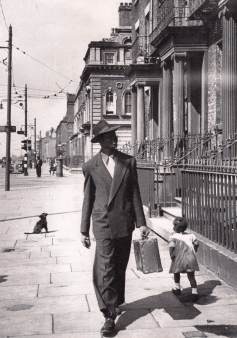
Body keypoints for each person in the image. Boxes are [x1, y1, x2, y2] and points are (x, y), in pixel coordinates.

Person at [80, 119, 150, 334]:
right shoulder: (90, 166)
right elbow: (87, 199)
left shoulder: (128, 161)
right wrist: (83, 229)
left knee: (119, 267)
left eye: (114, 135)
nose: (114, 138)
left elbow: (135, 193)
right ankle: (109, 315)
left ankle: (115, 301)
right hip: (102, 223)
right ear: (100, 141)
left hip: (124, 222)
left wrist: (142, 223)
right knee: (106, 269)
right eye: (109, 136)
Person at [169, 216, 199, 302]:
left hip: (178, 258)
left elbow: (171, 246)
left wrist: (171, 254)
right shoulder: (191, 235)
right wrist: (195, 250)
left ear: (175, 227)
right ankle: (194, 293)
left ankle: (177, 288)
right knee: (191, 276)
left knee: (176, 272)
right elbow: (196, 243)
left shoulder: (173, 236)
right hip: (190, 258)